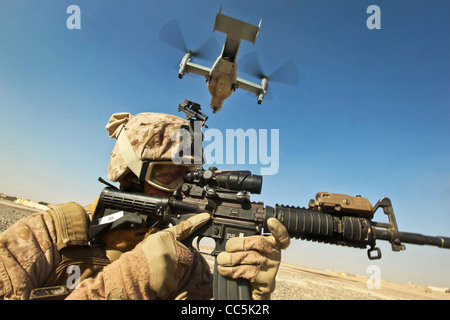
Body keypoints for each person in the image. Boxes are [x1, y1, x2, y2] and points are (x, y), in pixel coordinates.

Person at [0, 112, 290, 300]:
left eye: (189, 180)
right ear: (130, 174)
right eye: (167, 176)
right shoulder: (41, 238)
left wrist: (246, 302)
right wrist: (125, 283)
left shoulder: (188, 264)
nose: (181, 191)